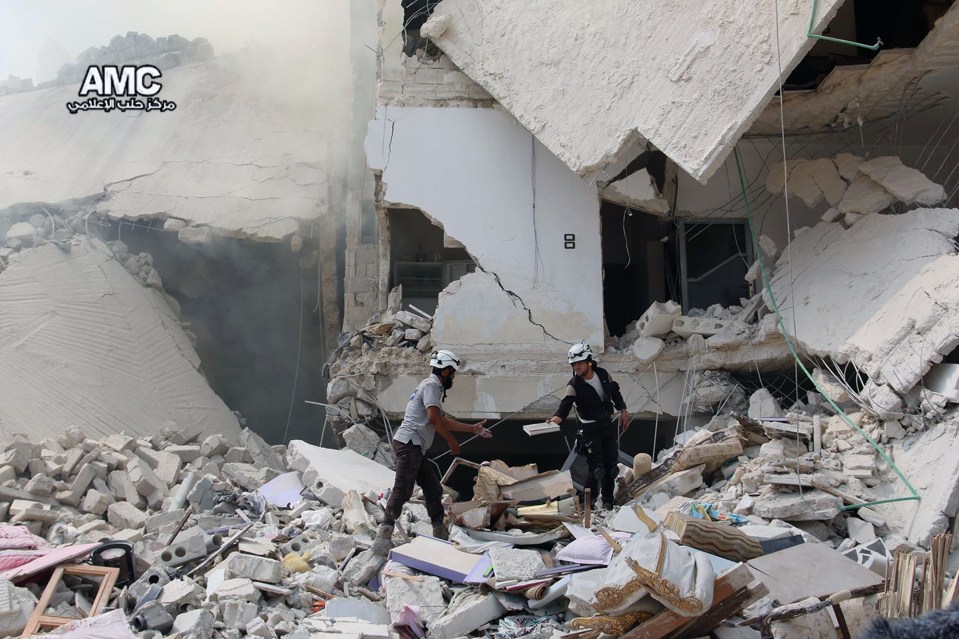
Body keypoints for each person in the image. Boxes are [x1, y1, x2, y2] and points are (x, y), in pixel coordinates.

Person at [372, 349, 492, 556]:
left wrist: (472, 429)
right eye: (452, 372)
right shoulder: (431, 385)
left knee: (433, 489)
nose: (453, 377)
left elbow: (442, 419)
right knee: (402, 489)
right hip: (409, 443)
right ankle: (382, 538)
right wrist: (452, 442)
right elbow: (434, 419)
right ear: (445, 372)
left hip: (415, 446)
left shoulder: (431, 388)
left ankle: (439, 532)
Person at [548, 342, 629, 509]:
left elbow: (614, 392)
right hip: (589, 431)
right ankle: (588, 504)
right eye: (573, 364)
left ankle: (607, 502)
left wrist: (623, 409)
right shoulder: (574, 385)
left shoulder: (603, 375)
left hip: (606, 425)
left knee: (611, 467)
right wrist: (556, 418)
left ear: (588, 362)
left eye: (579, 363)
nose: (576, 367)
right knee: (596, 469)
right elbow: (565, 405)